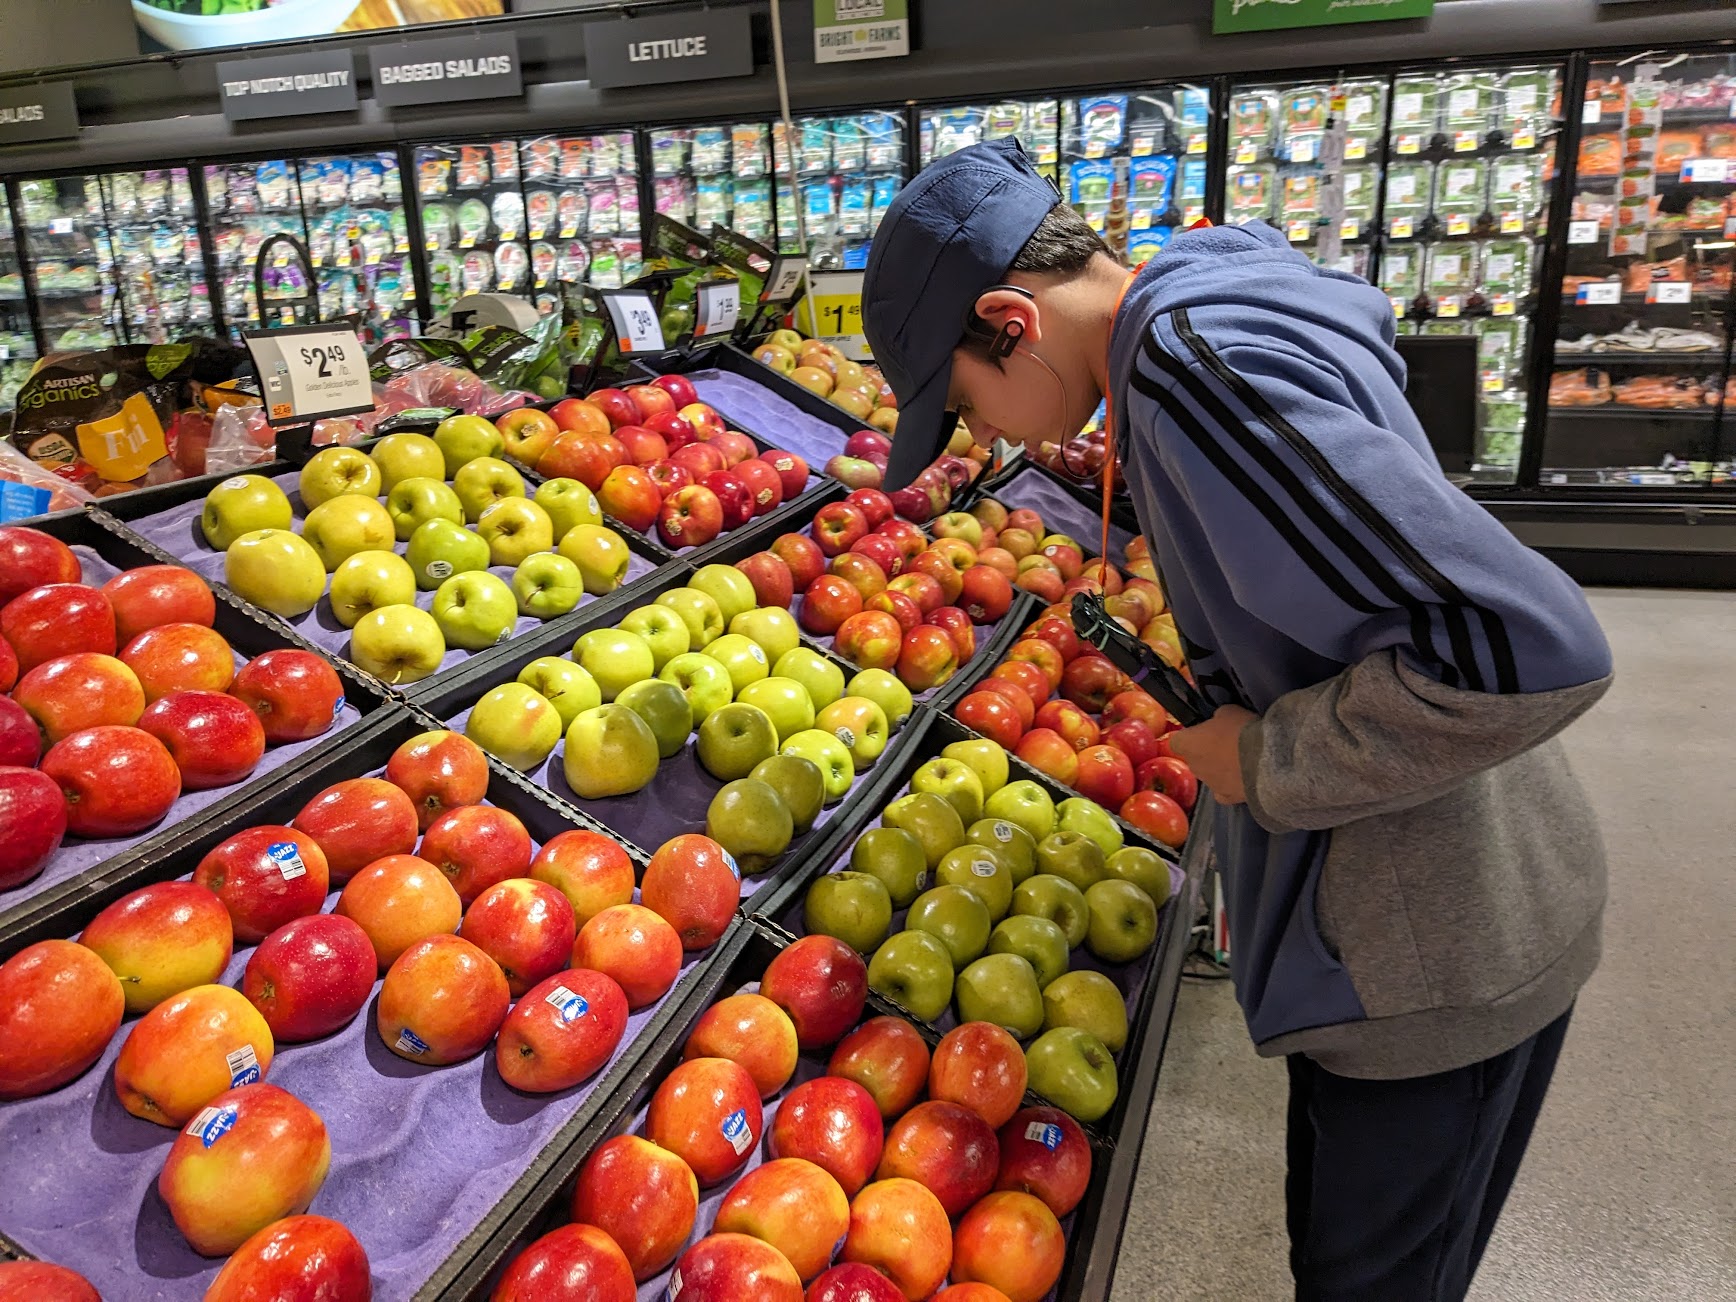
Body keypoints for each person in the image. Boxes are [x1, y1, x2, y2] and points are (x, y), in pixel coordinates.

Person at [861, 138, 1612, 1302]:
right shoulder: (1212, 306)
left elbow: (1527, 646)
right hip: (1464, 884)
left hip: (1430, 941)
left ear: (1011, 323)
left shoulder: (1188, 376)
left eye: (964, 404)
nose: (989, 441)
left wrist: (1265, 756)